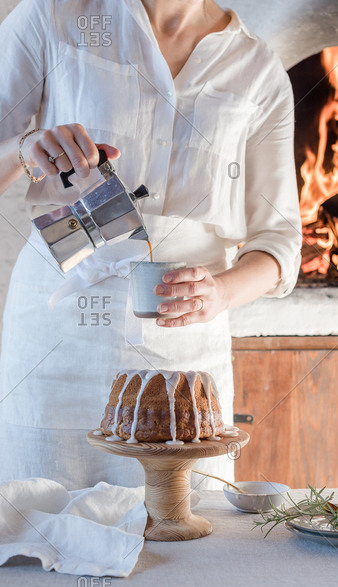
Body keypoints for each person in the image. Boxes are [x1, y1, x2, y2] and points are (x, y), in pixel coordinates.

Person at [0, 0, 301, 489]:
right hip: (57, 334)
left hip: (182, 345)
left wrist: (221, 293)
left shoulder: (256, 67)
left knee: (181, 532)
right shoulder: (51, 14)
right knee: (42, 519)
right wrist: (24, 148)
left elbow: (280, 240)